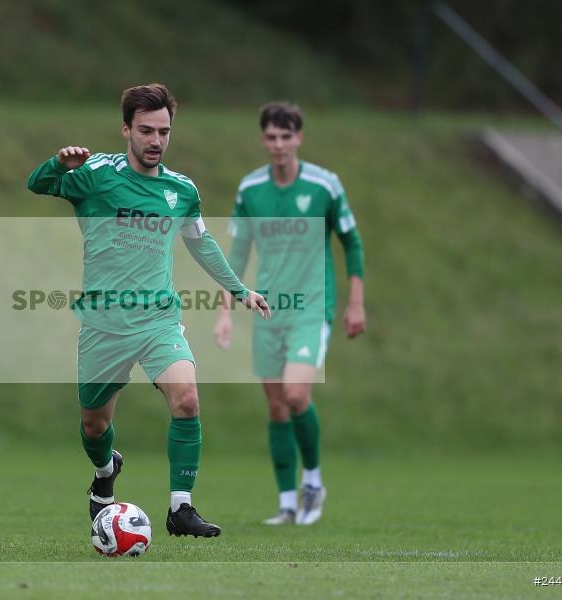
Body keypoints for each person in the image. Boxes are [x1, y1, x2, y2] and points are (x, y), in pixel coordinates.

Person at [27, 83, 271, 538]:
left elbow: (203, 244)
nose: (156, 140)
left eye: (164, 131)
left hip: (158, 318)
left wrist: (241, 291)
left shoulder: (181, 190)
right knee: (95, 425)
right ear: (126, 130)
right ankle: (105, 474)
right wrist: (58, 164)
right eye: (146, 130)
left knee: (187, 398)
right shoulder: (96, 173)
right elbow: (37, 184)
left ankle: (181, 509)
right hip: (104, 323)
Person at [214, 101, 365, 525]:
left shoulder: (324, 185)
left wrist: (356, 302)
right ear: (263, 139)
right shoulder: (250, 189)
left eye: (286, 136)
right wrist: (224, 311)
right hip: (267, 310)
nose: (278, 144)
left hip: (311, 308)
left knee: (297, 395)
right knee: (277, 408)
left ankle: (313, 482)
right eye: (271, 137)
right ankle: (285, 503)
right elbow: (237, 254)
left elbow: (351, 242)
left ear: (298, 138)